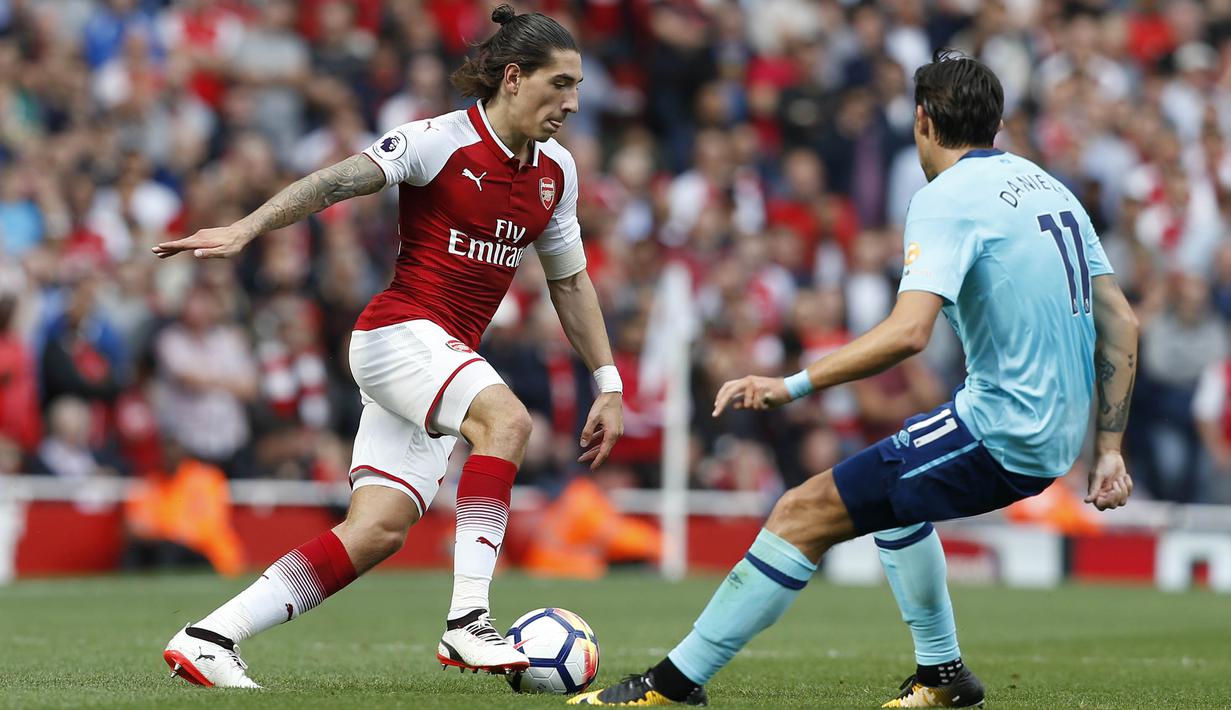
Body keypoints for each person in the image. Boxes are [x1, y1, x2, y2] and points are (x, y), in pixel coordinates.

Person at [571, 50, 1138, 708]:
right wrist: (1108, 450)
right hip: (1054, 435)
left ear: (922, 121)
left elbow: (907, 332)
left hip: (1003, 430)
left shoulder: (946, 198)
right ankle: (943, 676)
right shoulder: (1049, 188)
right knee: (892, 501)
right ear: (996, 123)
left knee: (801, 511)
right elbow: (1122, 322)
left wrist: (792, 384)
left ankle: (671, 687)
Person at [155, 5, 624, 688]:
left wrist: (608, 382)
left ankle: (208, 638)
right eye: (560, 84)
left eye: (576, 86)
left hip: (440, 358)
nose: (573, 103)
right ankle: (469, 622)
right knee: (508, 422)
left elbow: (571, 282)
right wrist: (245, 228)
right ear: (513, 78)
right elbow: (332, 182)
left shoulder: (556, 172)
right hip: (397, 333)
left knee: (377, 530)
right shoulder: (438, 140)